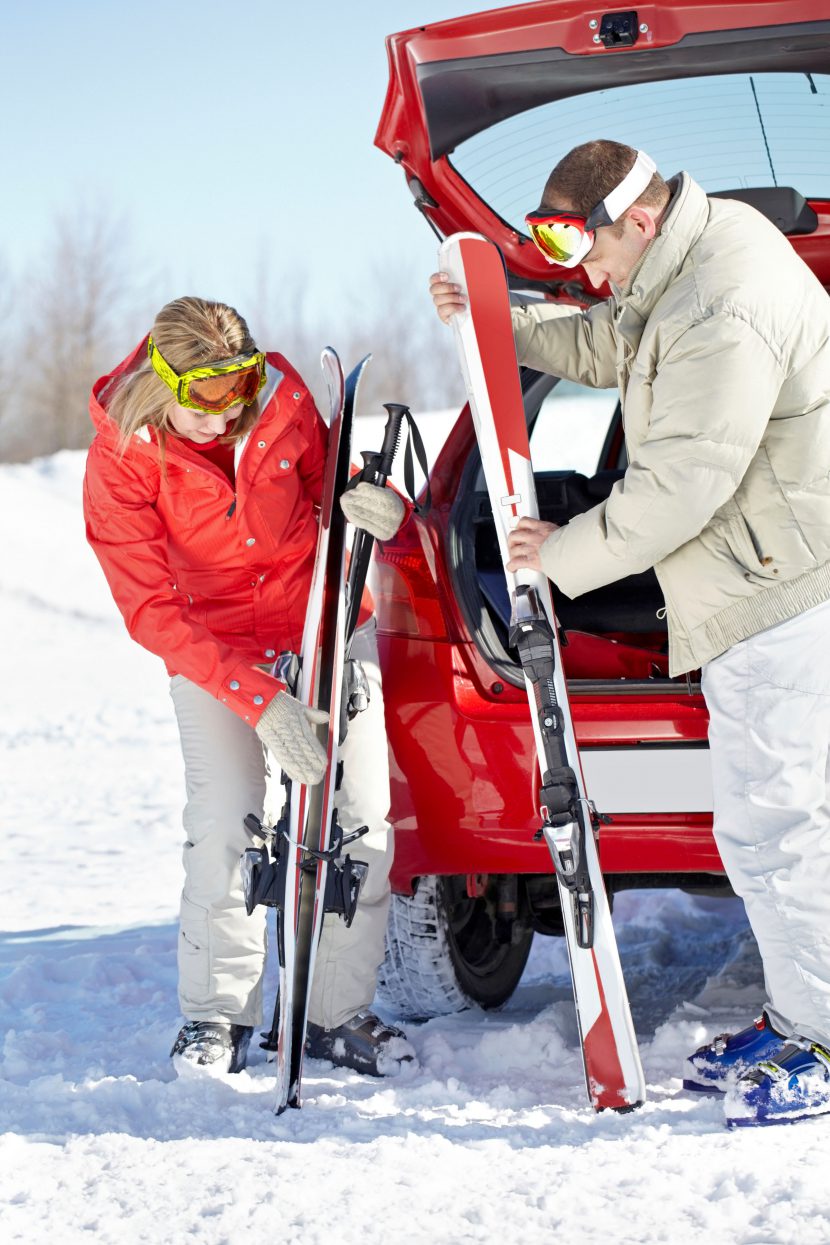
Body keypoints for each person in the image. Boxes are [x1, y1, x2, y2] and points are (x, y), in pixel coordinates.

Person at [430, 140, 830, 1127]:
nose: (585, 276)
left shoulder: (723, 304)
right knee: (753, 826)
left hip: (780, 591)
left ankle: (821, 1040)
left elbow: (676, 492)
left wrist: (551, 560)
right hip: (747, 581)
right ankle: (796, 1016)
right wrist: (508, 324)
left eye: (589, 250)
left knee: (786, 825)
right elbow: (613, 341)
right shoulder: (690, 258)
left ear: (637, 220)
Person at [84, 296, 415, 1079]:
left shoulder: (282, 399)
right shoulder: (124, 455)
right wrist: (259, 700)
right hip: (213, 647)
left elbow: (329, 482)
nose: (224, 411)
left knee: (362, 819)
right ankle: (214, 1017)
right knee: (227, 824)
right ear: (162, 379)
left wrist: (368, 498)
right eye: (204, 395)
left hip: (324, 624)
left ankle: (336, 1012)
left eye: (239, 386)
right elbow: (148, 607)